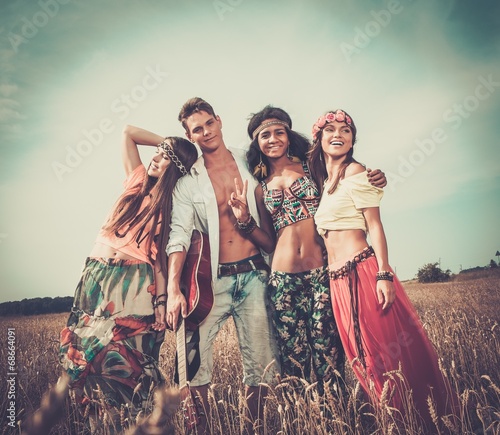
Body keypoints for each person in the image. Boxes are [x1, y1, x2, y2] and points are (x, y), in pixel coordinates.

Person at [309, 109, 457, 429]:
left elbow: (375, 226)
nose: (338, 135)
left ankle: (408, 421)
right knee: (360, 360)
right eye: (330, 130)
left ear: (352, 139)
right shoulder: (321, 184)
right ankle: (392, 421)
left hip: (361, 272)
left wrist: (384, 273)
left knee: (380, 358)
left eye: (345, 130)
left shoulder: (356, 171)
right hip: (335, 282)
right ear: (318, 139)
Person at [59, 125, 198, 431]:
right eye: (157, 154)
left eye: (164, 159)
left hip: (134, 284)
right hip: (96, 277)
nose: (155, 159)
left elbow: (159, 262)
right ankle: (98, 423)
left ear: (175, 169)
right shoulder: (135, 182)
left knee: (124, 359)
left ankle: (135, 420)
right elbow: (128, 133)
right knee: (85, 354)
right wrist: (169, 144)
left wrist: (161, 304)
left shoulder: (169, 207)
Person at [244, 106, 386, 395]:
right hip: (282, 280)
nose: (273, 139)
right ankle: (300, 421)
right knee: (293, 361)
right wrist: (245, 223)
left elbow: (343, 168)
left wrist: (373, 177)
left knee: (328, 355)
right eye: (265, 136)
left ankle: (335, 419)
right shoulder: (260, 189)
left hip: (321, 274)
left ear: (288, 135)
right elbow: (270, 242)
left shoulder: (312, 168)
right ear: (258, 144)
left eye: (279, 133)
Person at [165, 97, 279, 434]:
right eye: (196, 130)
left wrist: (361, 173)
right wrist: (174, 288)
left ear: (218, 120)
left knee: (260, 363)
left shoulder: (253, 161)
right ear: (191, 136)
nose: (205, 132)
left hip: (256, 274)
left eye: (208, 124)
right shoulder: (188, 182)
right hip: (210, 284)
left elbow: (299, 163)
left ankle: (252, 426)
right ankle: (199, 428)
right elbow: (178, 236)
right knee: (191, 363)